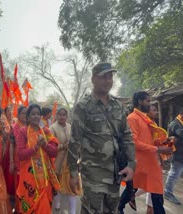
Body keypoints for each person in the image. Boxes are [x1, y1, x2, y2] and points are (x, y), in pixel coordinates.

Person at [68, 62, 136, 214]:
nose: (108, 81)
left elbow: (127, 136)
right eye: (103, 77)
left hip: (115, 173)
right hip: (93, 174)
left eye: (110, 77)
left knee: (112, 210)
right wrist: (72, 174)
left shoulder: (118, 106)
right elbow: (74, 141)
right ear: (93, 79)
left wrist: (131, 164)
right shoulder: (83, 106)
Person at [127, 91, 173, 214]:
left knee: (157, 199)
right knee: (156, 200)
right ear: (139, 102)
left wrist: (164, 142)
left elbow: (151, 140)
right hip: (144, 165)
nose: (150, 103)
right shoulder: (132, 118)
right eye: (148, 101)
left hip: (153, 164)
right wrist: (158, 149)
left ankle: (129, 197)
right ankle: (122, 204)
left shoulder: (146, 119)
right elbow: (134, 142)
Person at [16, 104, 60, 213]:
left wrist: (44, 144)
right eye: (33, 114)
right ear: (28, 117)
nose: (36, 116)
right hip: (30, 180)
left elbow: (54, 152)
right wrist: (36, 147)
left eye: (38, 114)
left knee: (45, 207)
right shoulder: (23, 132)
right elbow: (20, 154)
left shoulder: (46, 131)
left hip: (45, 181)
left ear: (41, 116)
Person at [50, 107, 78, 214]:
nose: (62, 117)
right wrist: (63, 146)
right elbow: (50, 148)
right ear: (56, 116)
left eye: (64, 115)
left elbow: (75, 142)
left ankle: (72, 211)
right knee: (58, 185)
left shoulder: (70, 127)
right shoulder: (52, 128)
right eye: (60, 115)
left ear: (67, 116)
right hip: (57, 161)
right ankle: (57, 206)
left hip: (70, 161)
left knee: (72, 187)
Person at [9, 105, 27, 212]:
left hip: (29, 162)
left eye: (26, 113)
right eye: (23, 113)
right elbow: (11, 145)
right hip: (18, 161)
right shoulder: (14, 127)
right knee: (19, 187)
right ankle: (19, 209)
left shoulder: (31, 127)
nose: (25, 115)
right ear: (18, 115)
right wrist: (11, 162)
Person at [164, 107, 183, 205]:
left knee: (176, 174)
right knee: (174, 174)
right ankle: (167, 192)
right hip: (177, 154)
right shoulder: (175, 124)